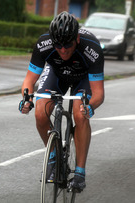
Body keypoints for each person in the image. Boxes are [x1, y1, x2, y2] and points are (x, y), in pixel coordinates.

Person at [19, 11, 104, 192]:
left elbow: (98, 94)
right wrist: (26, 98)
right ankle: (54, 157)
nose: (63, 49)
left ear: (77, 39)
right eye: (58, 45)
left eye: (68, 44)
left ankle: (80, 173)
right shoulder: (44, 44)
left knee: (79, 114)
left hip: (83, 78)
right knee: (40, 112)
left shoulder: (92, 49)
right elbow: (29, 80)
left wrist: (90, 107)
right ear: (52, 40)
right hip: (56, 75)